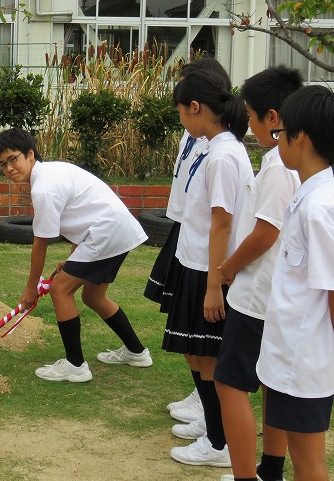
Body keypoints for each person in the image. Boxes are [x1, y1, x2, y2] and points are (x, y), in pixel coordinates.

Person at [0, 128, 152, 383]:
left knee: (60, 289)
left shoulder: (44, 188)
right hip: (113, 231)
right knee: (93, 296)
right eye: (2, 164)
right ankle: (137, 352)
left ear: (30, 154)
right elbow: (83, 214)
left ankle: (75, 366)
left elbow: (40, 242)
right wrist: (75, 257)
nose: (9, 168)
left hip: (107, 233)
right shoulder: (52, 172)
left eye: (13, 159)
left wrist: (30, 288)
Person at [213, 67, 302, 481]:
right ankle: (270, 470)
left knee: (230, 383)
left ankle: (248, 474)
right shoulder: (299, 160)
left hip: (257, 294)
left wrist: (226, 269)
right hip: (276, 293)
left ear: (272, 116)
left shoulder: (281, 163)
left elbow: (266, 232)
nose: (247, 125)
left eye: (250, 117)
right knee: (271, 384)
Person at [163, 66, 252, 468]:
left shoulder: (224, 155)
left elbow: (223, 222)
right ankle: (214, 432)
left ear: (196, 108)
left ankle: (219, 444)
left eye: (182, 111)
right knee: (197, 353)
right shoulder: (214, 147)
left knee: (210, 358)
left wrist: (215, 283)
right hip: (195, 262)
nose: (181, 119)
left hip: (207, 270)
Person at [144, 57, 230, 429]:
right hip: (186, 231)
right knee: (186, 331)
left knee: (201, 335)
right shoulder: (198, 134)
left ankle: (212, 416)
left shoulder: (219, 149)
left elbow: (222, 220)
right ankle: (208, 410)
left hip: (201, 244)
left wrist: (214, 280)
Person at [256, 85, 334, 481]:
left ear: (298, 136)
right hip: (289, 353)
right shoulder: (308, 194)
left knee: (308, 463)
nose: (275, 142)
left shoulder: (321, 207)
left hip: (304, 362)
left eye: (278, 134)